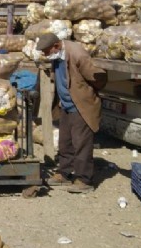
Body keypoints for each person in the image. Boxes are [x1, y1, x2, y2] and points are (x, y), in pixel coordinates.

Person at [36, 33, 107, 193]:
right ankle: (64, 173)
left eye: (47, 52)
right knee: (65, 141)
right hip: (66, 105)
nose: (46, 55)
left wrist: (86, 94)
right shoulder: (57, 55)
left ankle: (84, 179)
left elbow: (96, 76)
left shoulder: (77, 54)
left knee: (81, 143)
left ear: (55, 46)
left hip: (81, 106)